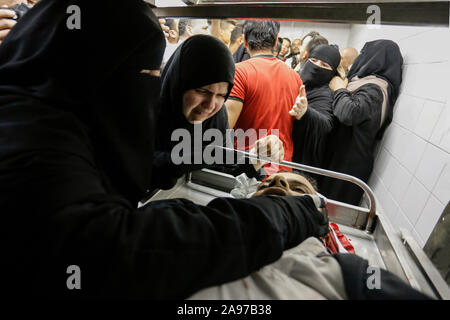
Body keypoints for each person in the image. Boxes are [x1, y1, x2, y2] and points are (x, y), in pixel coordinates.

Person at [0, 0, 328, 299]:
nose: (211, 105)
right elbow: (120, 252)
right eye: (145, 75)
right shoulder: (31, 138)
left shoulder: (60, 114)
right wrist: (279, 217)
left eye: (221, 96)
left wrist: (250, 159)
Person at [189, 171, 432, 300]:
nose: (280, 181)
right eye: (268, 184)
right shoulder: (208, 233)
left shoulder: (349, 273)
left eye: (298, 191)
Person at [152, 34, 284, 191]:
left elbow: (224, 165)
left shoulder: (217, 117)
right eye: (202, 91)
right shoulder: (145, 108)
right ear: (179, 82)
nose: (210, 105)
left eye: (222, 95)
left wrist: (255, 157)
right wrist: (187, 159)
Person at [322, 40, 403, 205]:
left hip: (347, 167)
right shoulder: (368, 84)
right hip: (341, 160)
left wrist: (339, 89)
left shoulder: (375, 88)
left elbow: (349, 113)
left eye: (364, 54)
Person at [226, 20, 303, 175]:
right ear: (276, 41)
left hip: (247, 170)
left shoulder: (239, 72)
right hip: (281, 170)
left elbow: (224, 126)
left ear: (245, 42)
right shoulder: (295, 78)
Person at [290, 45, 341, 175]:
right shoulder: (296, 80)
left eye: (324, 65)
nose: (316, 66)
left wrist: (306, 112)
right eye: (313, 61)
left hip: (298, 163)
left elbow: (326, 123)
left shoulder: (324, 94)